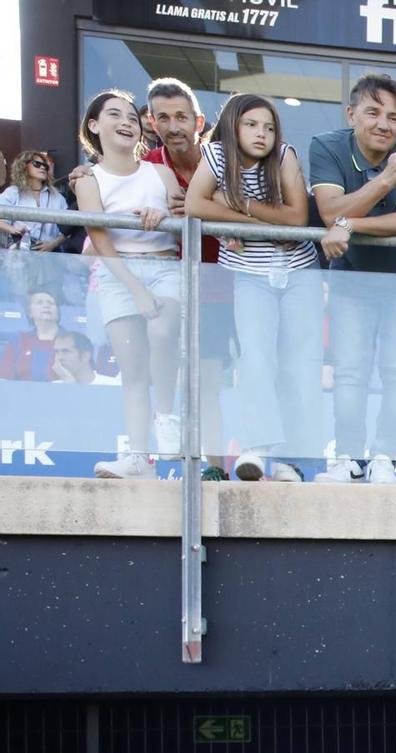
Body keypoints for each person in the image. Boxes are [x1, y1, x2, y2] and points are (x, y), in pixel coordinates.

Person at [188, 93, 324, 483]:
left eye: (268, 126)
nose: (261, 133)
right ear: (233, 126)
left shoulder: (285, 156)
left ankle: (291, 459)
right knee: (256, 358)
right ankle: (258, 447)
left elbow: (297, 218)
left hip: (299, 272)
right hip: (248, 275)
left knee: (298, 366)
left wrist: (239, 205)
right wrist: (266, 226)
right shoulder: (215, 156)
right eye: (251, 124)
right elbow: (195, 205)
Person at [308, 74, 396, 486]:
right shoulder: (326, 145)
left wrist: (349, 221)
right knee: (349, 370)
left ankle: (385, 458)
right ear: (351, 114)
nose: (384, 124)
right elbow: (328, 212)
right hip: (353, 277)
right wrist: (383, 181)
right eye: (373, 113)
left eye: (393, 117)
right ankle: (346, 457)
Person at [74, 89, 179, 482]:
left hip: (165, 267)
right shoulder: (88, 179)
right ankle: (138, 456)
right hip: (116, 275)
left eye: (132, 117)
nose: (126, 122)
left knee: (163, 329)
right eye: (114, 114)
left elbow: (181, 213)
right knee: (133, 370)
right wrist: (134, 287)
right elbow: (99, 237)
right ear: (94, 125)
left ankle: (166, 416)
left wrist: (162, 213)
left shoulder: (160, 173)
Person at [137, 77, 229, 473]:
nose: (173, 126)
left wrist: (201, 206)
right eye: (163, 118)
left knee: (208, 383)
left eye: (181, 116)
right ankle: (147, 462)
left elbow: (250, 209)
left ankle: (217, 469)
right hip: (161, 288)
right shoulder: (144, 168)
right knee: (154, 375)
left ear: (199, 120)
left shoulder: (224, 162)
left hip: (216, 287)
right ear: (152, 123)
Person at [0, 150, 70, 299]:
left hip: (49, 260)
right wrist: (13, 229)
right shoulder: (13, 193)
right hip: (19, 260)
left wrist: (52, 244)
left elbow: (69, 227)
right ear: (24, 166)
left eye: (45, 165)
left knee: (51, 299)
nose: (43, 168)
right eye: (37, 164)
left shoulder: (57, 197)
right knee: (20, 299)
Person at [0, 289, 62, 380]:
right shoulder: (17, 341)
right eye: (39, 303)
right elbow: (4, 377)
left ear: (58, 312)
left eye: (51, 303)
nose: (46, 306)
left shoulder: (72, 340)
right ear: (29, 312)